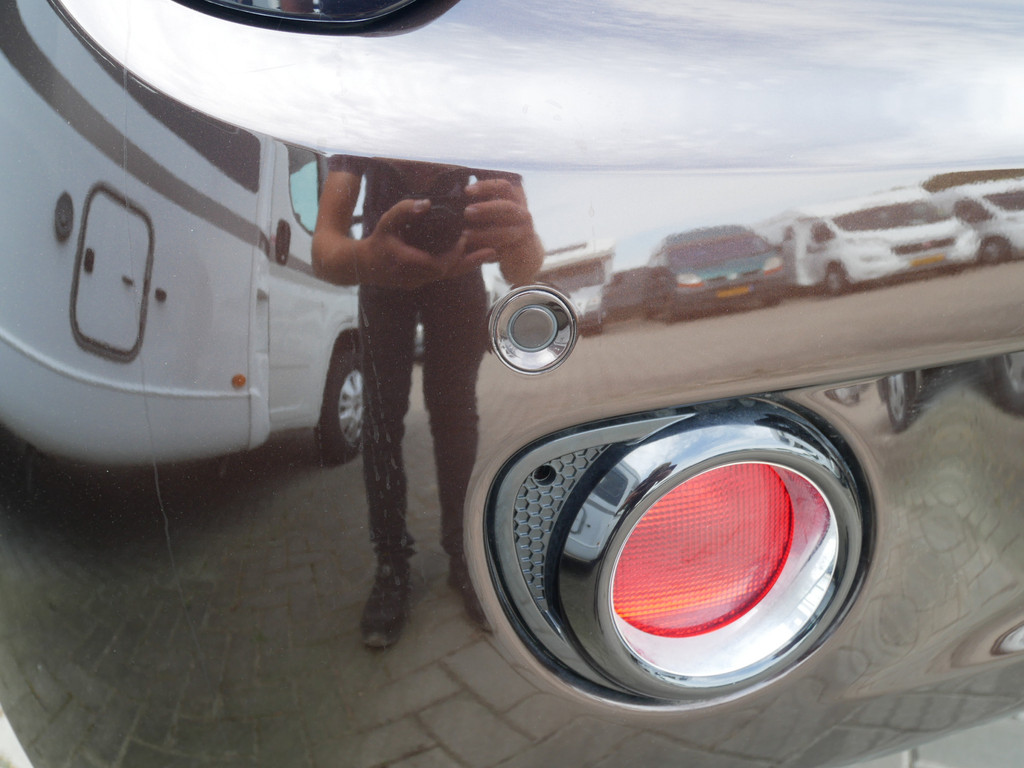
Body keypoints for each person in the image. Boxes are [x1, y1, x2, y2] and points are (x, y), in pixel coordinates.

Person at [312, 156, 542, 647]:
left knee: (455, 417)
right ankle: (391, 563)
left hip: (459, 279)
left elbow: (522, 269)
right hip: (383, 277)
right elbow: (324, 251)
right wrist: (368, 258)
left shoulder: (476, 136)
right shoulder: (365, 129)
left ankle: (464, 555)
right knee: (381, 423)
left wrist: (522, 238)